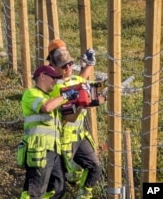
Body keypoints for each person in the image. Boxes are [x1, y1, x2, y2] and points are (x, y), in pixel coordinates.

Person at [48, 48, 104, 199]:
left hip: (80, 135)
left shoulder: (74, 79)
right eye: (64, 66)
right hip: (64, 139)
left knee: (94, 166)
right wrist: (81, 104)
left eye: (70, 64)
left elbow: (82, 81)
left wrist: (90, 65)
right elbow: (69, 115)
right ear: (54, 67)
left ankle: (83, 195)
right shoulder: (56, 87)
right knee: (59, 181)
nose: (68, 68)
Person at [20, 65, 79, 199]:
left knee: (57, 188)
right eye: (53, 77)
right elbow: (46, 107)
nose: (55, 81)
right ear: (42, 76)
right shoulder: (31, 93)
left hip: (54, 150)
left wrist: (80, 104)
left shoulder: (52, 98)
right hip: (39, 149)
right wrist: (64, 95)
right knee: (35, 190)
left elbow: (71, 118)